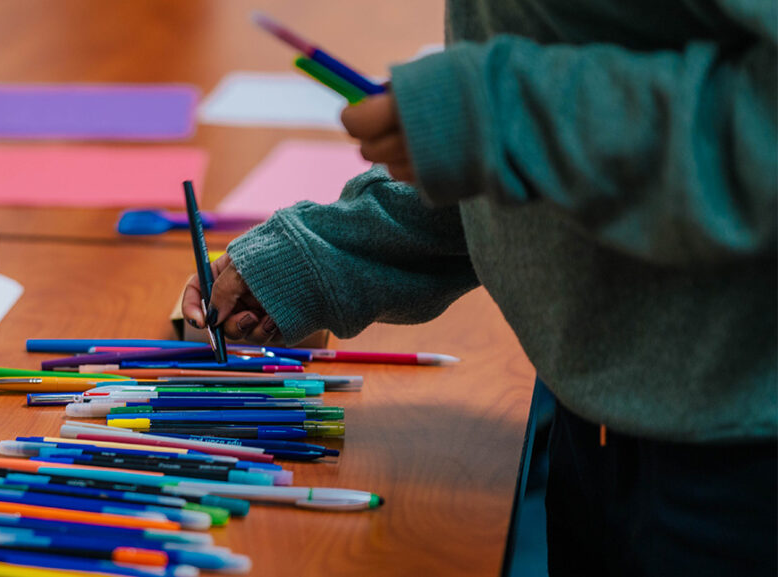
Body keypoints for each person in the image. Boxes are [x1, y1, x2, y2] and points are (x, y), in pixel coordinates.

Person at [183, 1, 777, 575]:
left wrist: (498, 117)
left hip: (738, 451)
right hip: (604, 406)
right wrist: (313, 258)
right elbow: (517, 159)